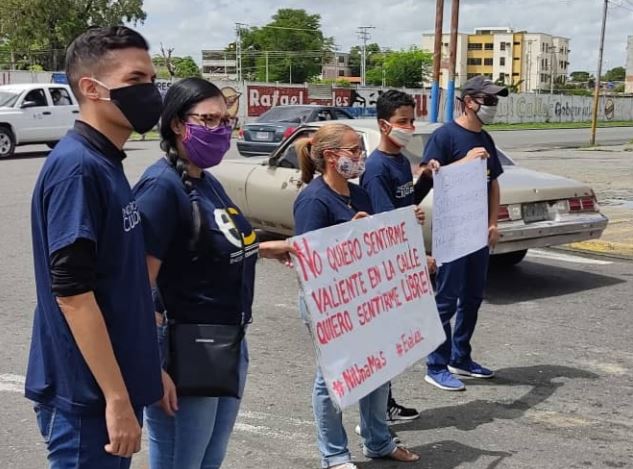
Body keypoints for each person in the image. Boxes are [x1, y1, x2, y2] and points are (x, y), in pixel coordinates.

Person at [132, 77, 294, 469]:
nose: (220, 130)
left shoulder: (207, 181)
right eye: (208, 120)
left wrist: (270, 249)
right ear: (176, 123)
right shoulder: (160, 187)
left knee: (209, 460)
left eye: (226, 121)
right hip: (184, 351)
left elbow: (211, 248)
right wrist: (152, 368)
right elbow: (135, 287)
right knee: (180, 462)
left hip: (225, 342)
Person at [26, 26, 164, 468]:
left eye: (152, 80)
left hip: (107, 387)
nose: (152, 93)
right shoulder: (78, 170)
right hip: (88, 400)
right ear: (91, 87)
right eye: (136, 80)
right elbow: (71, 294)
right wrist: (117, 398)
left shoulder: (104, 161)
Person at [294, 123, 420, 469]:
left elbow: (376, 247)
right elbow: (309, 262)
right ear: (332, 157)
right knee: (333, 377)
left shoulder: (358, 194)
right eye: (354, 150)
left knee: (378, 369)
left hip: (364, 300)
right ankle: (334, 454)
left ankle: (378, 441)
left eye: (360, 150)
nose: (361, 156)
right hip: (328, 304)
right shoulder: (313, 200)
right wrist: (350, 235)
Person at [416, 75, 508, 391]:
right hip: (452, 232)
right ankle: (436, 364)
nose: (493, 107)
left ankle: (461, 356)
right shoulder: (445, 137)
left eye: (496, 101)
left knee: (472, 297)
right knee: (447, 299)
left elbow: (493, 181)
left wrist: (492, 222)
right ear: (469, 101)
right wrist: (464, 162)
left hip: (478, 232)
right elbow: (429, 177)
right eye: (489, 100)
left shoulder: (486, 138)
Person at [360, 89, 433, 422]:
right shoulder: (376, 168)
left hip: (401, 261)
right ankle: (377, 413)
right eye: (402, 121)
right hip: (386, 266)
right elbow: (384, 222)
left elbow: (407, 202)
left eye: (412, 120)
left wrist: (426, 181)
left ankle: (385, 404)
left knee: (392, 341)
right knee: (383, 343)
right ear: (384, 125)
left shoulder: (401, 162)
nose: (410, 127)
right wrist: (418, 260)